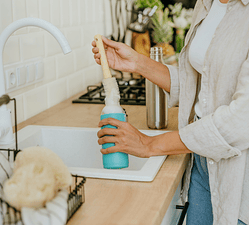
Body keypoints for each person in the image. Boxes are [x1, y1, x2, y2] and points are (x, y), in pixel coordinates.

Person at [91, 0, 249, 224]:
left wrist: (149, 144)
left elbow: (242, 120)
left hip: (240, 173)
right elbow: (198, 86)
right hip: (200, 159)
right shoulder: (205, 4)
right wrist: (136, 62)